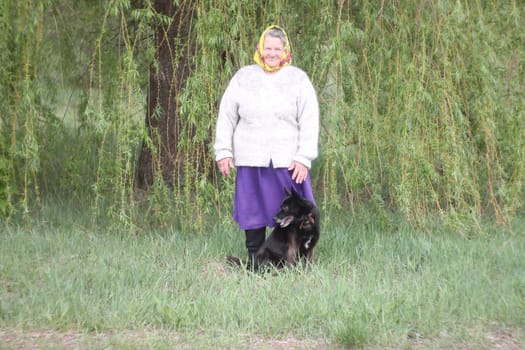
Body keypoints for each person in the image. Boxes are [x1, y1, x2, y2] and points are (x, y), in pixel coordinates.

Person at [213, 24, 320, 263]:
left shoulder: (298, 79)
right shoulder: (244, 77)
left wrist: (304, 157)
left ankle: (299, 259)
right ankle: (256, 259)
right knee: (254, 210)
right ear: (260, 48)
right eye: (267, 48)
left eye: (277, 49)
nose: (272, 53)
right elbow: (227, 115)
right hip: (251, 157)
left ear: (285, 50)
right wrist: (223, 151)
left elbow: (310, 119)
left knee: (296, 213)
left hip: (288, 160)